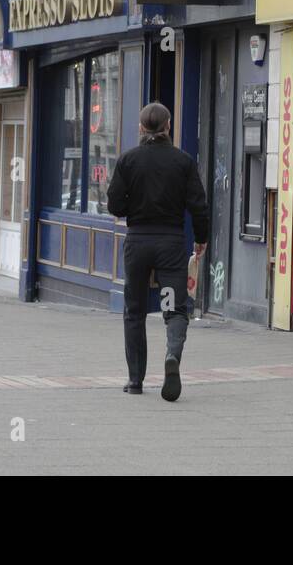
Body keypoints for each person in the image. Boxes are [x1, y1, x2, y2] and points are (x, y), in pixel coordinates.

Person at [107, 103, 209, 402]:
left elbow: (114, 205)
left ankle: (135, 380)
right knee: (174, 308)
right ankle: (172, 356)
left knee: (135, 311)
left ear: (141, 128)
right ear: (168, 126)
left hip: (138, 243)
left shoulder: (128, 160)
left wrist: (133, 208)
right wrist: (200, 239)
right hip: (170, 244)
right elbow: (198, 206)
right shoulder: (183, 161)